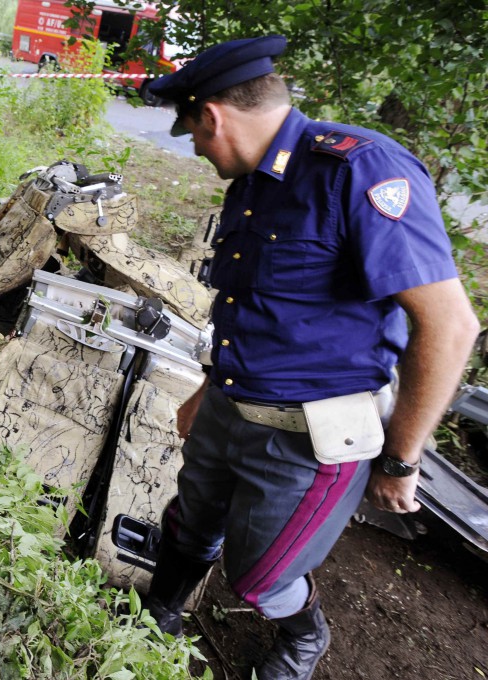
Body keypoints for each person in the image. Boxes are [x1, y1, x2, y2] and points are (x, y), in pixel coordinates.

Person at [141, 35, 480, 680]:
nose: (194, 147)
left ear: (212, 116)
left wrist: (401, 458)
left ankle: (304, 636)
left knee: (259, 580)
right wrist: (206, 390)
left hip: (309, 437)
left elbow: (450, 326)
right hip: (228, 404)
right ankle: (161, 608)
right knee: (188, 522)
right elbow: (254, 305)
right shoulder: (253, 180)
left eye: (191, 133)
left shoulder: (360, 170)